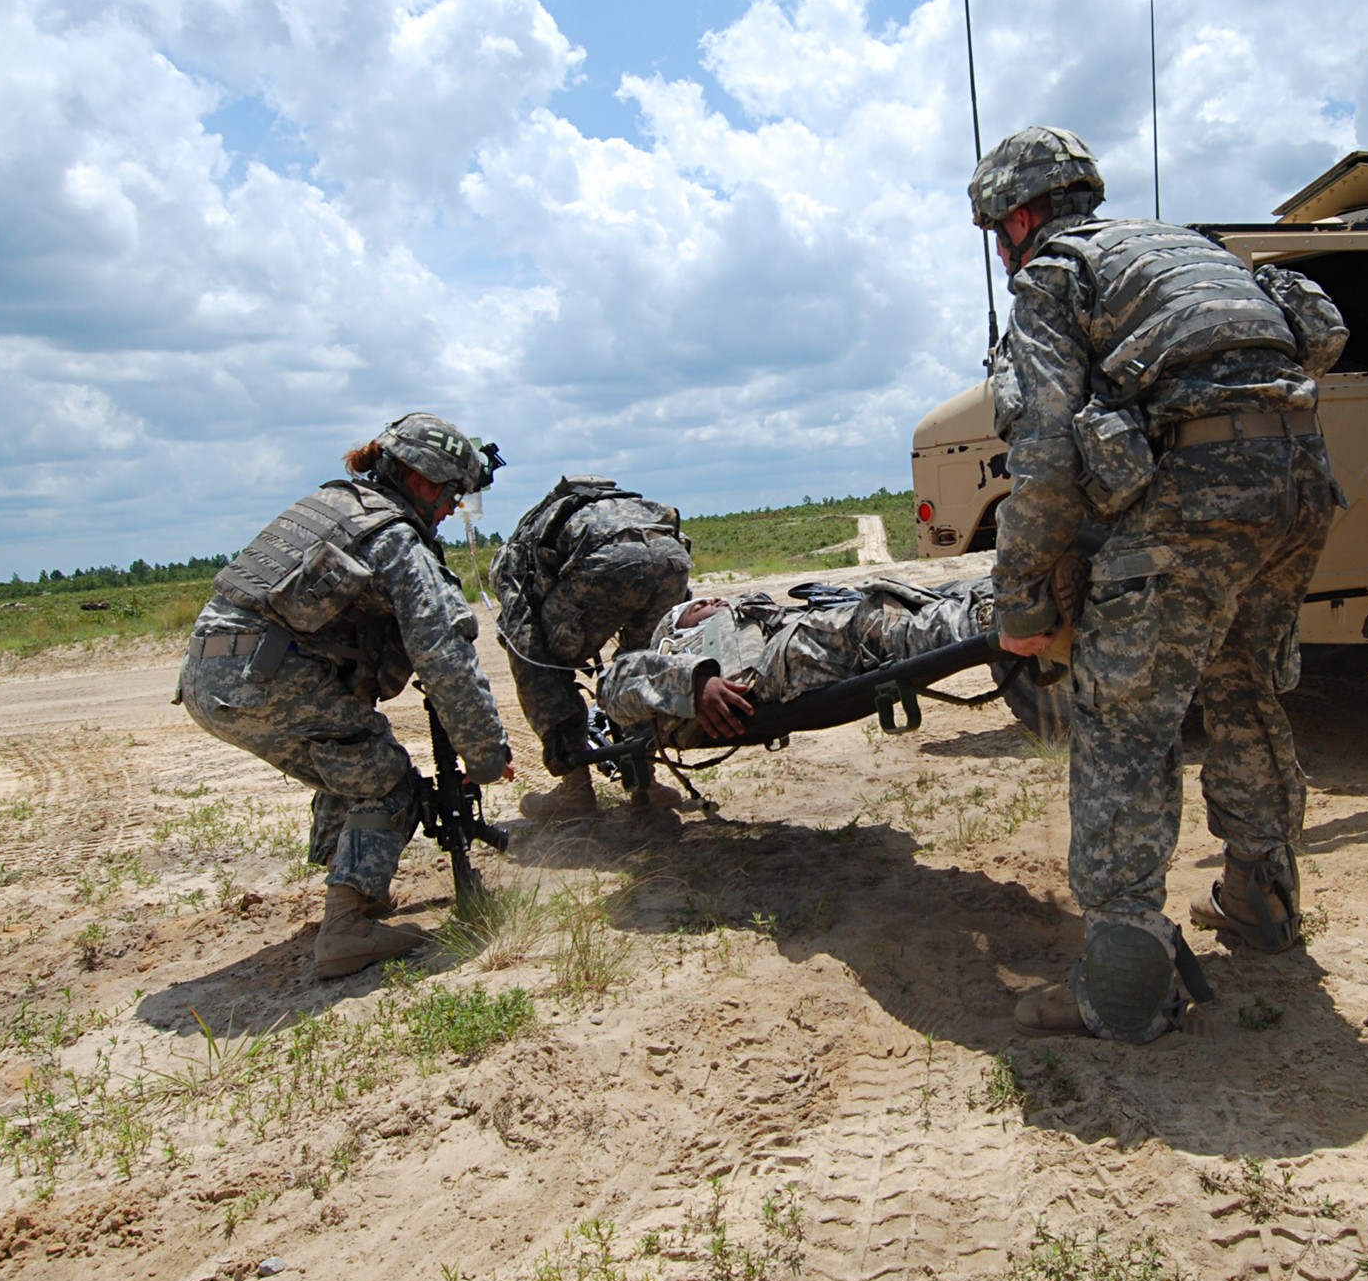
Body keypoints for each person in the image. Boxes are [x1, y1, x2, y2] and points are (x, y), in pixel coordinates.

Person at [974, 126, 1348, 1043]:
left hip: (1193, 498)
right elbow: (1320, 336)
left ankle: (1125, 987)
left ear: (1020, 217)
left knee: (1125, 724)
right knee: (1243, 690)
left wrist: (1020, 594)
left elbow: (1045, 448)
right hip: (1299, 482)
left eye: (998, 230)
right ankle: (1262, 899)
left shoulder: (1052, 274)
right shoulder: (1187, 248)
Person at [179, 414, 514, 979]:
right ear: (426, 482)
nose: (454, 510)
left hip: (209, 675)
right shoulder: (394, 538)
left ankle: (354, 884)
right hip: (264, 677)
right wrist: (485, 756)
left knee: (350, 762)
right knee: (386, 780)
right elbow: (444, 653)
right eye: (453, 495)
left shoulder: (330, 507)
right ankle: (348, 924)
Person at [489, 478, 691, 819]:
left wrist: (550, 665)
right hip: (672, 558)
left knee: (544, 664)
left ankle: (575, 790)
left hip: (604, 563)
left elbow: (521, 633)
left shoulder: (528, 534)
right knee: (642, 665)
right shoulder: (632, 507)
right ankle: (644, 784)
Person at [595, 577, 995, 748]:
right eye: (697, 608)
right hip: (775, 668)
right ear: (674, 634)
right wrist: (695, 683)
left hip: (794, 639)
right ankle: (990, 619)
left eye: (714, 600)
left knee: (908, 598)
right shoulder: (668, 659)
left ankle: (1001, 590)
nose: (714, 602)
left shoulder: (747, 616)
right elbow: (612, 683)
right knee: (872, 623)